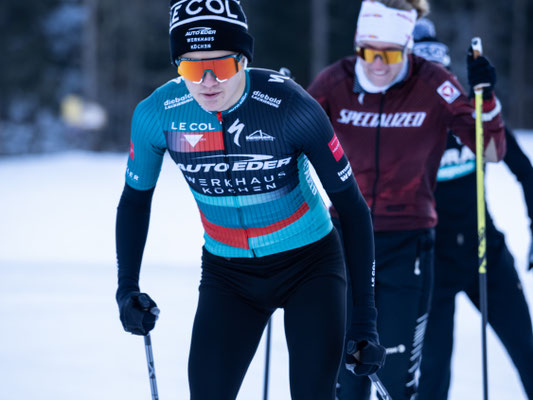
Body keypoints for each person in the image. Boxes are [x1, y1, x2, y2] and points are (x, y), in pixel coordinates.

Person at [114, 1, 385, 399]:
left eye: (220, 66)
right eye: (191, 67)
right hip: (228, 276)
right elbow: (135, 201)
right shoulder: (158, 114)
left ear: (243, 60)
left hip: (309, 266)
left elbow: (352, 208)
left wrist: (364, 318)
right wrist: (127, 287)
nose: (207, 81)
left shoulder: (291, 107)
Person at [307, 1, 506, 399]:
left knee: (395, 375)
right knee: (345, 373)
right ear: (357, 45)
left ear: (408, 48)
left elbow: (491, 150)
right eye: (369, 51)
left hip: (408, 241)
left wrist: (485, 100)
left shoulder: (433, 81)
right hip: (345, 239)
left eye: (391, 53)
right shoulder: (336, 81)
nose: (378, 64)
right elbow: (292, 131)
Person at [412, 18, 533, 400]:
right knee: (432, 377)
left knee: (526, 352)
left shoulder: (471, 117)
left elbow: (524, 170)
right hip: (432, 263)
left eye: (442, 76)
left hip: (485, 253)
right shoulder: (404, 127)